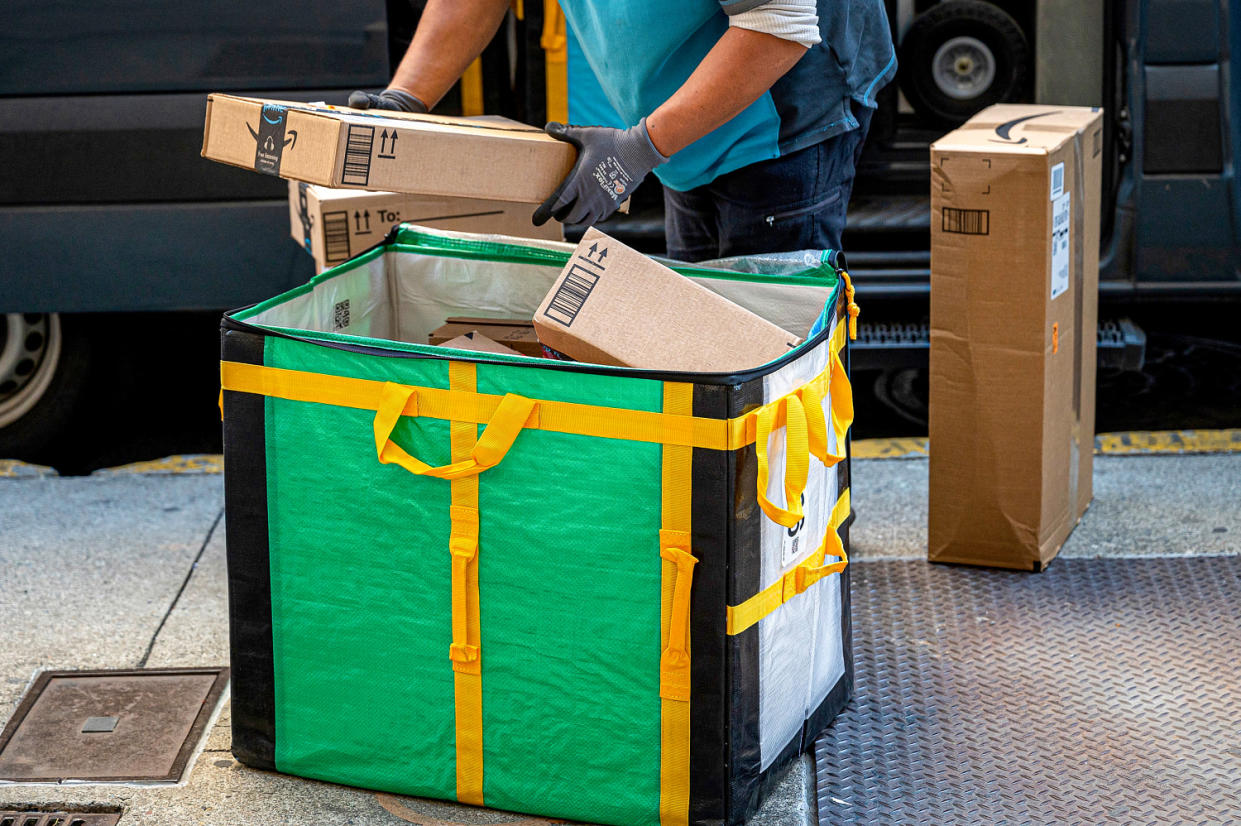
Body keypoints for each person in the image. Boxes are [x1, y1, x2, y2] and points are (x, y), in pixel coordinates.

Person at [350, 0, 895, 262]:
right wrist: (407, 99)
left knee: (776, 369)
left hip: (780, 116)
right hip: (683, 121)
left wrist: (637, 150)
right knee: (707, 344)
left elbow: (780, 23)